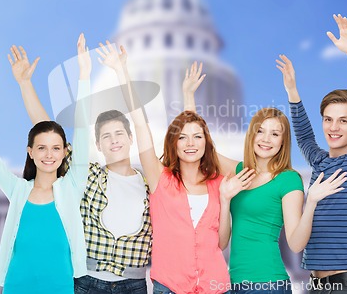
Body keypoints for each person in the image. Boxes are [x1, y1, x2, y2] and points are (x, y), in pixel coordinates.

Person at [95, 42, 255, 294]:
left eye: (198, 138)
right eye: (182, 138)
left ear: (207, 143)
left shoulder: (219, 184)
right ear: (173, 143)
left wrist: (225, 201)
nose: (190, 143)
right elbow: (140, 123)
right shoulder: (160, 178)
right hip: (169, 287)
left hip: (215, 287)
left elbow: (221, 243)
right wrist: (121, 71)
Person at [0, 34, 91, 294]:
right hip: (17, 285)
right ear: (30, 152)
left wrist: (84, 75)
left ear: (66, 152)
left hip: (60, 286)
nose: (49, 154)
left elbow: (83, 128)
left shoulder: (73, 185)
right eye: (42, 148)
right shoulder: (18, 190)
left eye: (56, 148)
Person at [183, 66, 347, 294]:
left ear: (283, 142)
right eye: (260, 131)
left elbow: (296, 243)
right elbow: (201, 147)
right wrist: (189, 97)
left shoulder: (288, 180)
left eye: (275, 134)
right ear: (252, 135)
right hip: (234, 282)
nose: (266, 139)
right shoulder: (239, 171)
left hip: (268, 284)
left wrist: (311, 203)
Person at [7, 42, 151, 294]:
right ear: (97, 144)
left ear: (130, 138)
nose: (114, 139)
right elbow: (47, 130)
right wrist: (25, 84)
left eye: (119, 133)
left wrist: (122, 72)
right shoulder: (88, 174)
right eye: (106, 136)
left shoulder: (150, 182)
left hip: (134, 283)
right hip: (88, 281)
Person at [276, 14, 347, 293]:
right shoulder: (319, 162)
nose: (333, 128)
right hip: (315, 283)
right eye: (328, 119)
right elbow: (302, 134)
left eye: (343, 120)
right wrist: (292, 91)